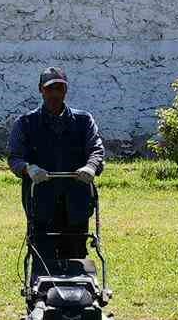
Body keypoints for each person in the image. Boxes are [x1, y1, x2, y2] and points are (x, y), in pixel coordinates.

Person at [6, 66, 105, 277]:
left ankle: (79, 300)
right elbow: (15, 158)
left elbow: (96, 149)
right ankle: (40, 298)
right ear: (41, 90)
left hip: (76, 201)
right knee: (42, 253)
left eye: (59, 88)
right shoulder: (25, 123)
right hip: (41, 202)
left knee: (76, 253)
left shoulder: (84, 121)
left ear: (66, 91)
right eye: (50, 89)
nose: (55, 94)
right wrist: (28, 168)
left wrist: (91, 166)